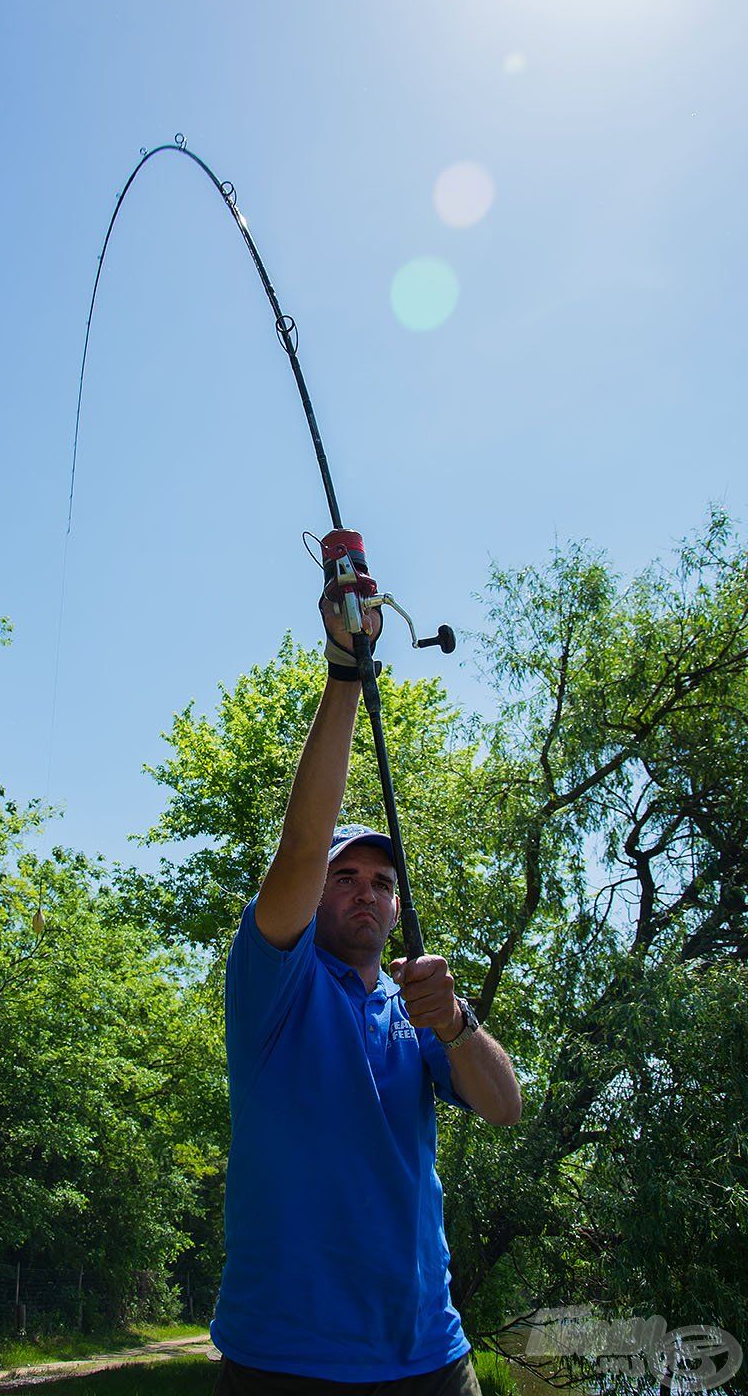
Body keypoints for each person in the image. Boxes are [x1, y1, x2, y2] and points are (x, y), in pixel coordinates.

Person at [210, 544, 522, 1394]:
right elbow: (301, 845)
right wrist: (348, 671)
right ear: (315, 897)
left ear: (396, 909)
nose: (362, 892)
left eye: (382, 883)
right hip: (281, 1360)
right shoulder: (274, 982)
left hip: (430, 1356)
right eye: (343, 878)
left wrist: (455, 1024)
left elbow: (504, 1107)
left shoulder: (416, 1010)